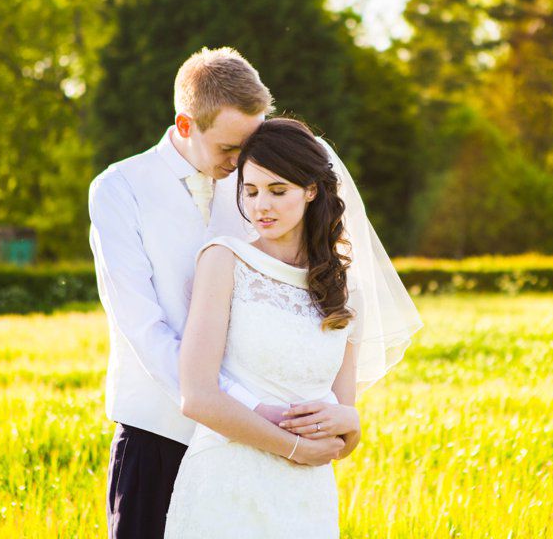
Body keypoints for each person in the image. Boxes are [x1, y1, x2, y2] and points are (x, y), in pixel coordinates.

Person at [88, 49, 357, 539]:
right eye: (230, 150)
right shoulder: (120, 189)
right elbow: (147, 331)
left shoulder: (256, 186)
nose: (242, 166)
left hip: (259, 450)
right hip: (159, 430)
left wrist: (329, 418)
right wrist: (245, 407)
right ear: (186, 126)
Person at [164, 118, 423, 538]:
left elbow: (342, 424)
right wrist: (296, 448)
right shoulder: (223, 261)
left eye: (277, 190)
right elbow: (196, 396)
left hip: (306, 498)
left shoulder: (344, 288)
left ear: (311, 190)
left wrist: (351, 425)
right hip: (227, 486)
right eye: (250, 191)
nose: (260, 206)